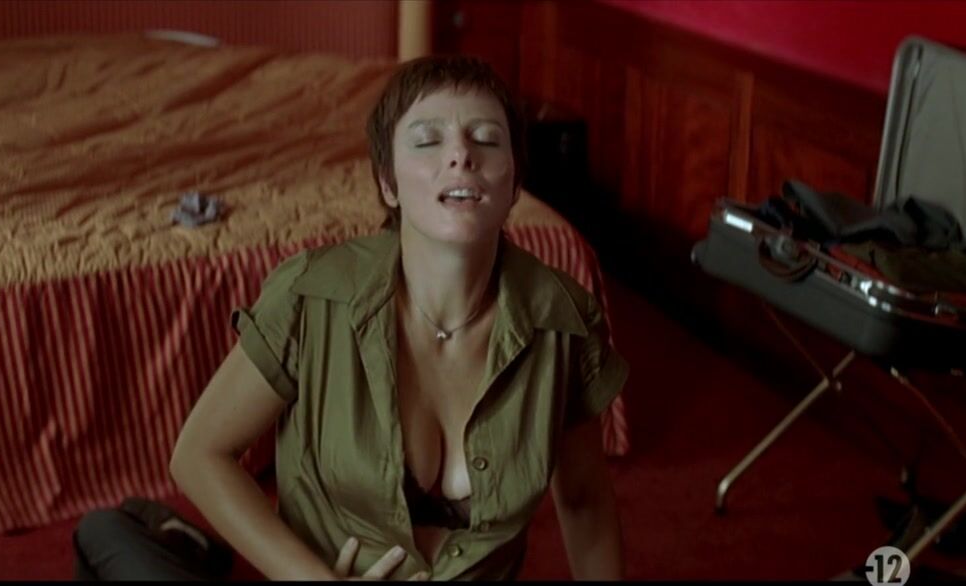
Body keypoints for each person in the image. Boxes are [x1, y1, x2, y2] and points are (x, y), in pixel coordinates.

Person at [74, 55, 628, 581]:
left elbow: (583, 499)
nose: (461, 154)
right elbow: (199, 455)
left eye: (486, 138)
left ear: (514, 184)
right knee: (102, 534)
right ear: (388, 184)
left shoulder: (564, 322)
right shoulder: (311, 296)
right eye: (427, 140)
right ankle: (183, 542)